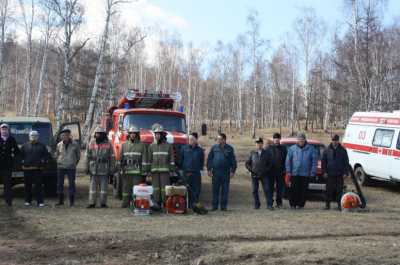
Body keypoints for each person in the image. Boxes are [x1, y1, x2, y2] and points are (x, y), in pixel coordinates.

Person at [285, 132, 318, 209]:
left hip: (305, 173)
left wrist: (313, 171)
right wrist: (288, 171)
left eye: (302, 139)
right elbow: (288, 160)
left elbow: (314, 161)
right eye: (299, 139)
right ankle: (293, 204)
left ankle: (300, 205)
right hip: (294, 173)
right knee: (294, 190)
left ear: (305, 140)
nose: (301, 141)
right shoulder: (292, 148)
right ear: (297, 140)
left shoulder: (311, 149)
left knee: (303, 191)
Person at [119, 126, 149, 208]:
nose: (133, 135)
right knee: (126, 188)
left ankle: (136, 203)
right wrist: (120, 169)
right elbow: (120, 158)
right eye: (131, 133)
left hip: (137, 172)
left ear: (137, 135)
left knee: (136, 189)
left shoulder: (142, 145)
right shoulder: (124, 145)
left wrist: (144, 171)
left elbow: (144, 160)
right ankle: (125, 203)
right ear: (129, 134)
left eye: (134, 133)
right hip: (126, 171)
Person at [207, 133, 237, 211]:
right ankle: (214, 206)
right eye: (217, 139)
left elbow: (233, 161)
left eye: (220, 139)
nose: (218, 140)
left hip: (225, 172)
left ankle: (223, 207)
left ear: (224, 139)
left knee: (225, 190)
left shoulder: (230, 148)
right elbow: (210, 159)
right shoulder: (214, 148)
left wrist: (233, 171)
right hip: (216, 172)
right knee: (215, 190)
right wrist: (209, 169)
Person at [86, 127, 115, 208]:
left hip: (104, 168)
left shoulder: (108, 143)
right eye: (96, 133)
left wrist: (112, 169)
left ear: (103, 134)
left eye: (99, 133)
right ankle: (92, 203)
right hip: (93, 168)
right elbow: (87, 156)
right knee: (92, 188)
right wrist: (86, 168)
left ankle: (103, 203)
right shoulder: (91, 142)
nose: (97, 135)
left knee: (103, 188)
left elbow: (112, 157)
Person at [148, 125, 175, 209]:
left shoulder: (168, 146)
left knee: (164, 188)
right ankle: (157, 204)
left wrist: (172, 170)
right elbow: (149, 160)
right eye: (156, 134)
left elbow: (172, 159)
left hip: (165, 171)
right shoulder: (151, 146)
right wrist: (148, 171)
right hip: (154, 171)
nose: (157, 135)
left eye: (159, 134)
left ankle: (165, 203)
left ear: (163, 135)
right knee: (155, 188)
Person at [20, 131, 50, 207]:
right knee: (27, 186)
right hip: (27, 169)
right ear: (29, 136)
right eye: (32, 135)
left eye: (35, 136)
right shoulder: (24, 146)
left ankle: (40, 201)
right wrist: (22, 163)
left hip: (38, 169)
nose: (33, 137)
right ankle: (28, 201)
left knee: (38, 186)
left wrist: (43, 161)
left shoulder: (42, 146)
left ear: (38, 137)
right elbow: (20, 156)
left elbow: (46, 156)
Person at [322, 134, 349, 210]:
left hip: (339, 175)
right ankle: (327, 205)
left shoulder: (343, 150)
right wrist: (324, 172)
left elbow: (346, 162)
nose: (334, 142)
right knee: (328, 191)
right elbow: (323, 162)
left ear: (338, 140)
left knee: (339, 191)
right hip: (329, 174)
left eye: (336, 140)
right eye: (333, 140)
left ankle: (339, 205)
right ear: (331, 140)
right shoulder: (326, 150)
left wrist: (345, 173)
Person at [56, 129, 81, 207]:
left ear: (69, 135)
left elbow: (78, 156)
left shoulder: (75, 144)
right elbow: (57, 154)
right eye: (62, 136)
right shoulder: (59, 145)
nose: (64, 137)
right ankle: (60, 201)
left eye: (65, 135)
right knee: (60, 184)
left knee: (71, 184)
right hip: (61, 166)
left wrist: (73, 163)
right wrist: (58, 161)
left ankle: (71, 202)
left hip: (71, 167)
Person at [179, 133, 205, 209]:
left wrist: (198, 169)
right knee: (186, 190)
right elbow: (180, 160)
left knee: (196, 190)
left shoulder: (200, 150)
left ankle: (195, 206)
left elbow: (201, 161)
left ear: (196, 140)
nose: (189, 141)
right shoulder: (184, 148)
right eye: (189, 139)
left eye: (192, 139)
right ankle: (185, 206)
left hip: (196, 174)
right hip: (186, 173)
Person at [245, 137, 271, 209]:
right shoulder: (252, 153)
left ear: (262, 144)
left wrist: (265, 171)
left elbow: (270, 164)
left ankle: (269, 205)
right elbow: (247, 163)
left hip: (264, 175)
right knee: (254, 190)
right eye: (257, 144)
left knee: (267, 189)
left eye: (260, 143)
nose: (258, 145)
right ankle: (257, 205)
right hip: (254, 175)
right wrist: (251, 170)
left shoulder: (266, 153)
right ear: (255, 145)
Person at [0, 123, 19, 206]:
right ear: (0, 130)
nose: (4, 130)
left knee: (7, 184)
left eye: (5, 129)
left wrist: (14, 161)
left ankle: (8, 202)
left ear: (8, 130)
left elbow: (17, 152)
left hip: (7, 166)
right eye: (2, 129)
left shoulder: (12, 139)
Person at [268, 133, 287, 208]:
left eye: (278, 138)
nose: (276, 140)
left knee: (280, 188)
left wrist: (285, 169)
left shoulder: (283, 148)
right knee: (270, 188)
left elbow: (286, 159)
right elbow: (266, 160)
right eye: (275, 138)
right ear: (273, 139)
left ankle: (279, 203)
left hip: (281, 171)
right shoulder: (269, 148)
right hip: (271, 171)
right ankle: (270, 202)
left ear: (280, 139)